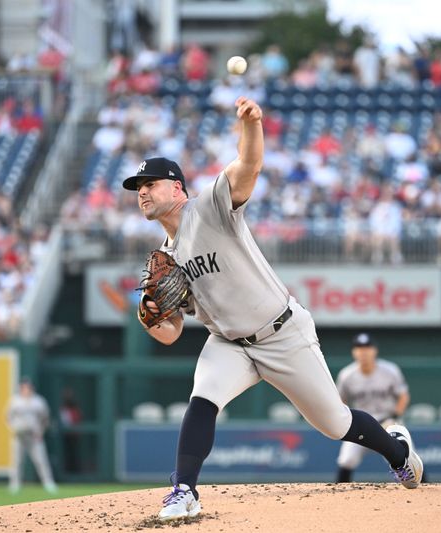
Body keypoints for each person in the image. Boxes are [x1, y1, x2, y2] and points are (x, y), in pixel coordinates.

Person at [121, 96, 423, 523]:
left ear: (177, 188)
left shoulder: (207, 209)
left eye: (150, 184)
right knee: (203, 398)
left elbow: (248, 168)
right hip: (228, 343)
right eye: (138, 188)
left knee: (334, 424)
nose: (143, 192)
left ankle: (398, 452)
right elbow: (169, 333)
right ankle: (184, 490)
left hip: (281, 331)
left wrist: (252, 124)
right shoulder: (167, 257)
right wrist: (149, 314)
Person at [335, 333, 410, 483]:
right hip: (362, 424)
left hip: (388, 421)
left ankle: (422, 489)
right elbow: (340, 401)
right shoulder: (347, 375)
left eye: (367, 347)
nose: (363, 352)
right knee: (346, 460)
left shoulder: (389, 370)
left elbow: (403, 396)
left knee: (405, 457)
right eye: (359, 348)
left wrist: (395, 417)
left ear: (374, 350)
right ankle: (339, 494)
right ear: (354, 352)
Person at [6, 377, 57, 494]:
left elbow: (45, 418)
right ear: (20, 388)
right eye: (24, 387)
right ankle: (14, 484)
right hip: (19, 435)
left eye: (28, 387)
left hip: (34, 435)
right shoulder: (15, 400)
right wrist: (12, 429)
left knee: (41, 460)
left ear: (32, 388)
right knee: (17, 461)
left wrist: (41, 431)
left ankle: (48, 484)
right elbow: (7, 417)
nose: (26, 389)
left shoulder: (38, 401)